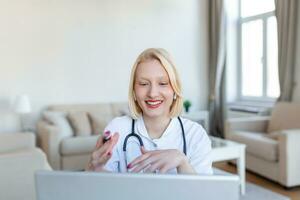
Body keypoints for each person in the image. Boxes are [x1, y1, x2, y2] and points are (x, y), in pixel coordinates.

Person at [87, 48, 212, 174]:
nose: (152, 93)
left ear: (175, 89)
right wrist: (93, 171)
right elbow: (101, 188)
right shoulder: (117, 130)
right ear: (134, 91)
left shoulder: (195, 135)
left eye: (163, 83)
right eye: (143, 84)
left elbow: (202, 192)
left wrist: (182, 161)